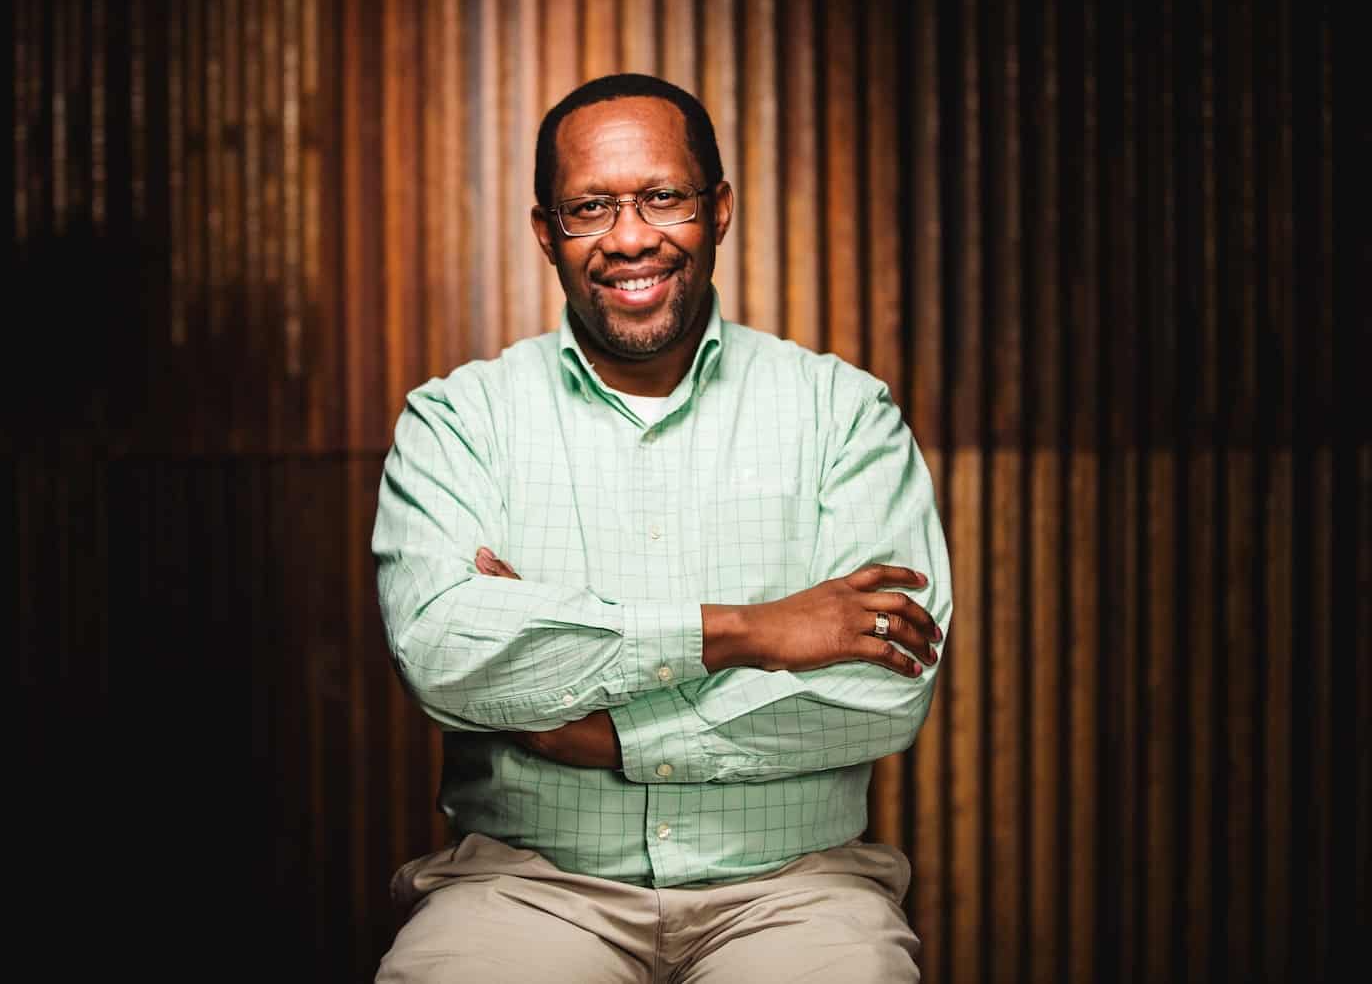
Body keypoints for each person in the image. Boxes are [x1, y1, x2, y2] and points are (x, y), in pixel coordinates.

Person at [371, 73, 952, 982]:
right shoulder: (459, 422)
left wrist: (609, 732)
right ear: (543, 233)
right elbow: (447, 656)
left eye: (662, 197)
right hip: (527, 888)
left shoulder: (843, 414)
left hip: (797, 890)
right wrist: (750, 631)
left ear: (717, 210)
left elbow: (886, 692)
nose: (630, 236)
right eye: (589, 207)